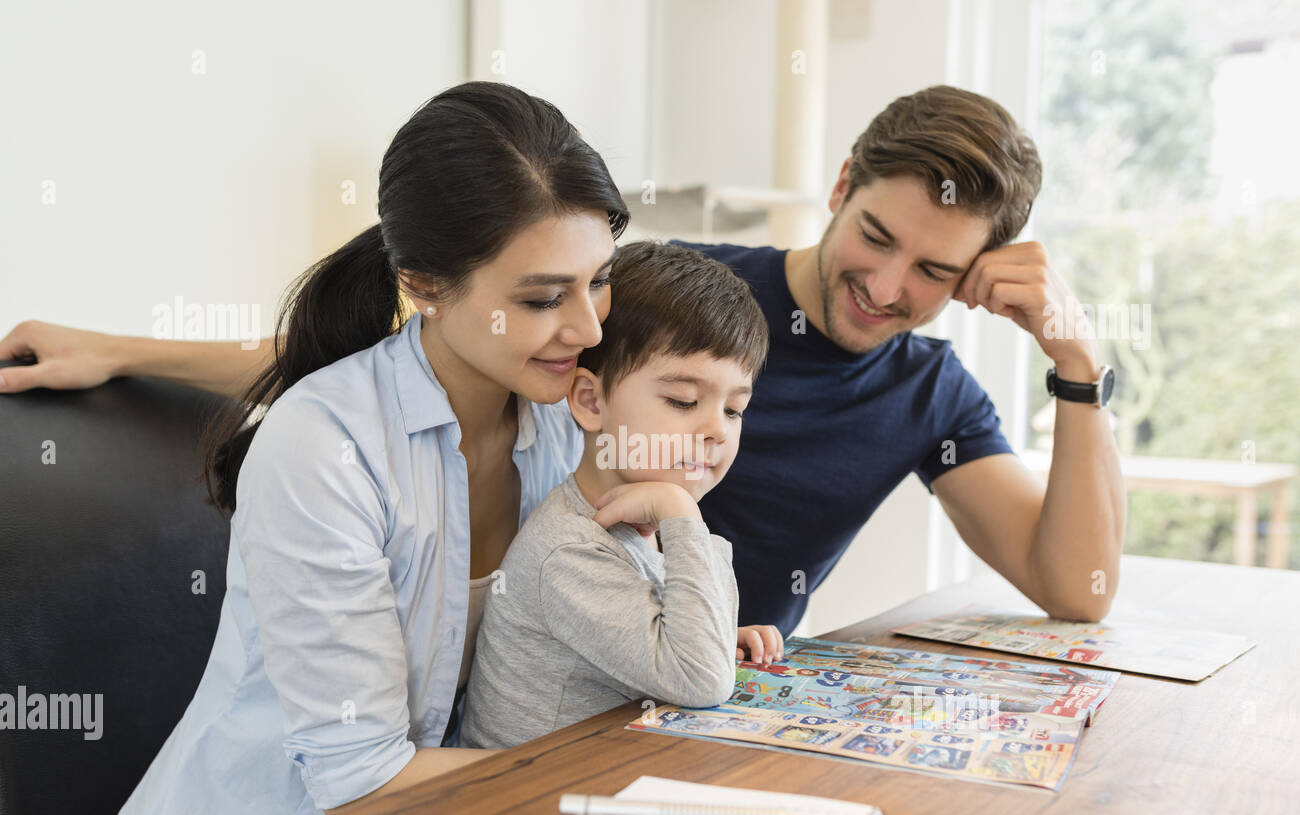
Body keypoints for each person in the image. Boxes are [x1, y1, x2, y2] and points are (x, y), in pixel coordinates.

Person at [1, 85, 1125, 637]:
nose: (885, 287)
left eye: (932, 273)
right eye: (874, 237)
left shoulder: (928, 392)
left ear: (978, 277)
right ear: (838, 189)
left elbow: (1076, 589)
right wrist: (118, 349)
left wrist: (1077, 363)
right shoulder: (667, 290)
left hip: (703, 689)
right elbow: (409, 360)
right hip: (554, 685)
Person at [73, 80, 636, 815]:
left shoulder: (561, 417)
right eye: (543, 298)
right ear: (426, 286)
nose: (588, 327)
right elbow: (363, 779)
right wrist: (613, 785)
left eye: (600, 281)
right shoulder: (324, 446)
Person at [460, 240, 777, 750]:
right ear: (590, 400)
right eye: (683, 400)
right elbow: (700, 680)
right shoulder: (571, 550)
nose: (716, 430)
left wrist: (717, 633)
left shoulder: (639, 528)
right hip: (525, 809)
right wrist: (682, 515)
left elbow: (686, 657)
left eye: (734, 410)